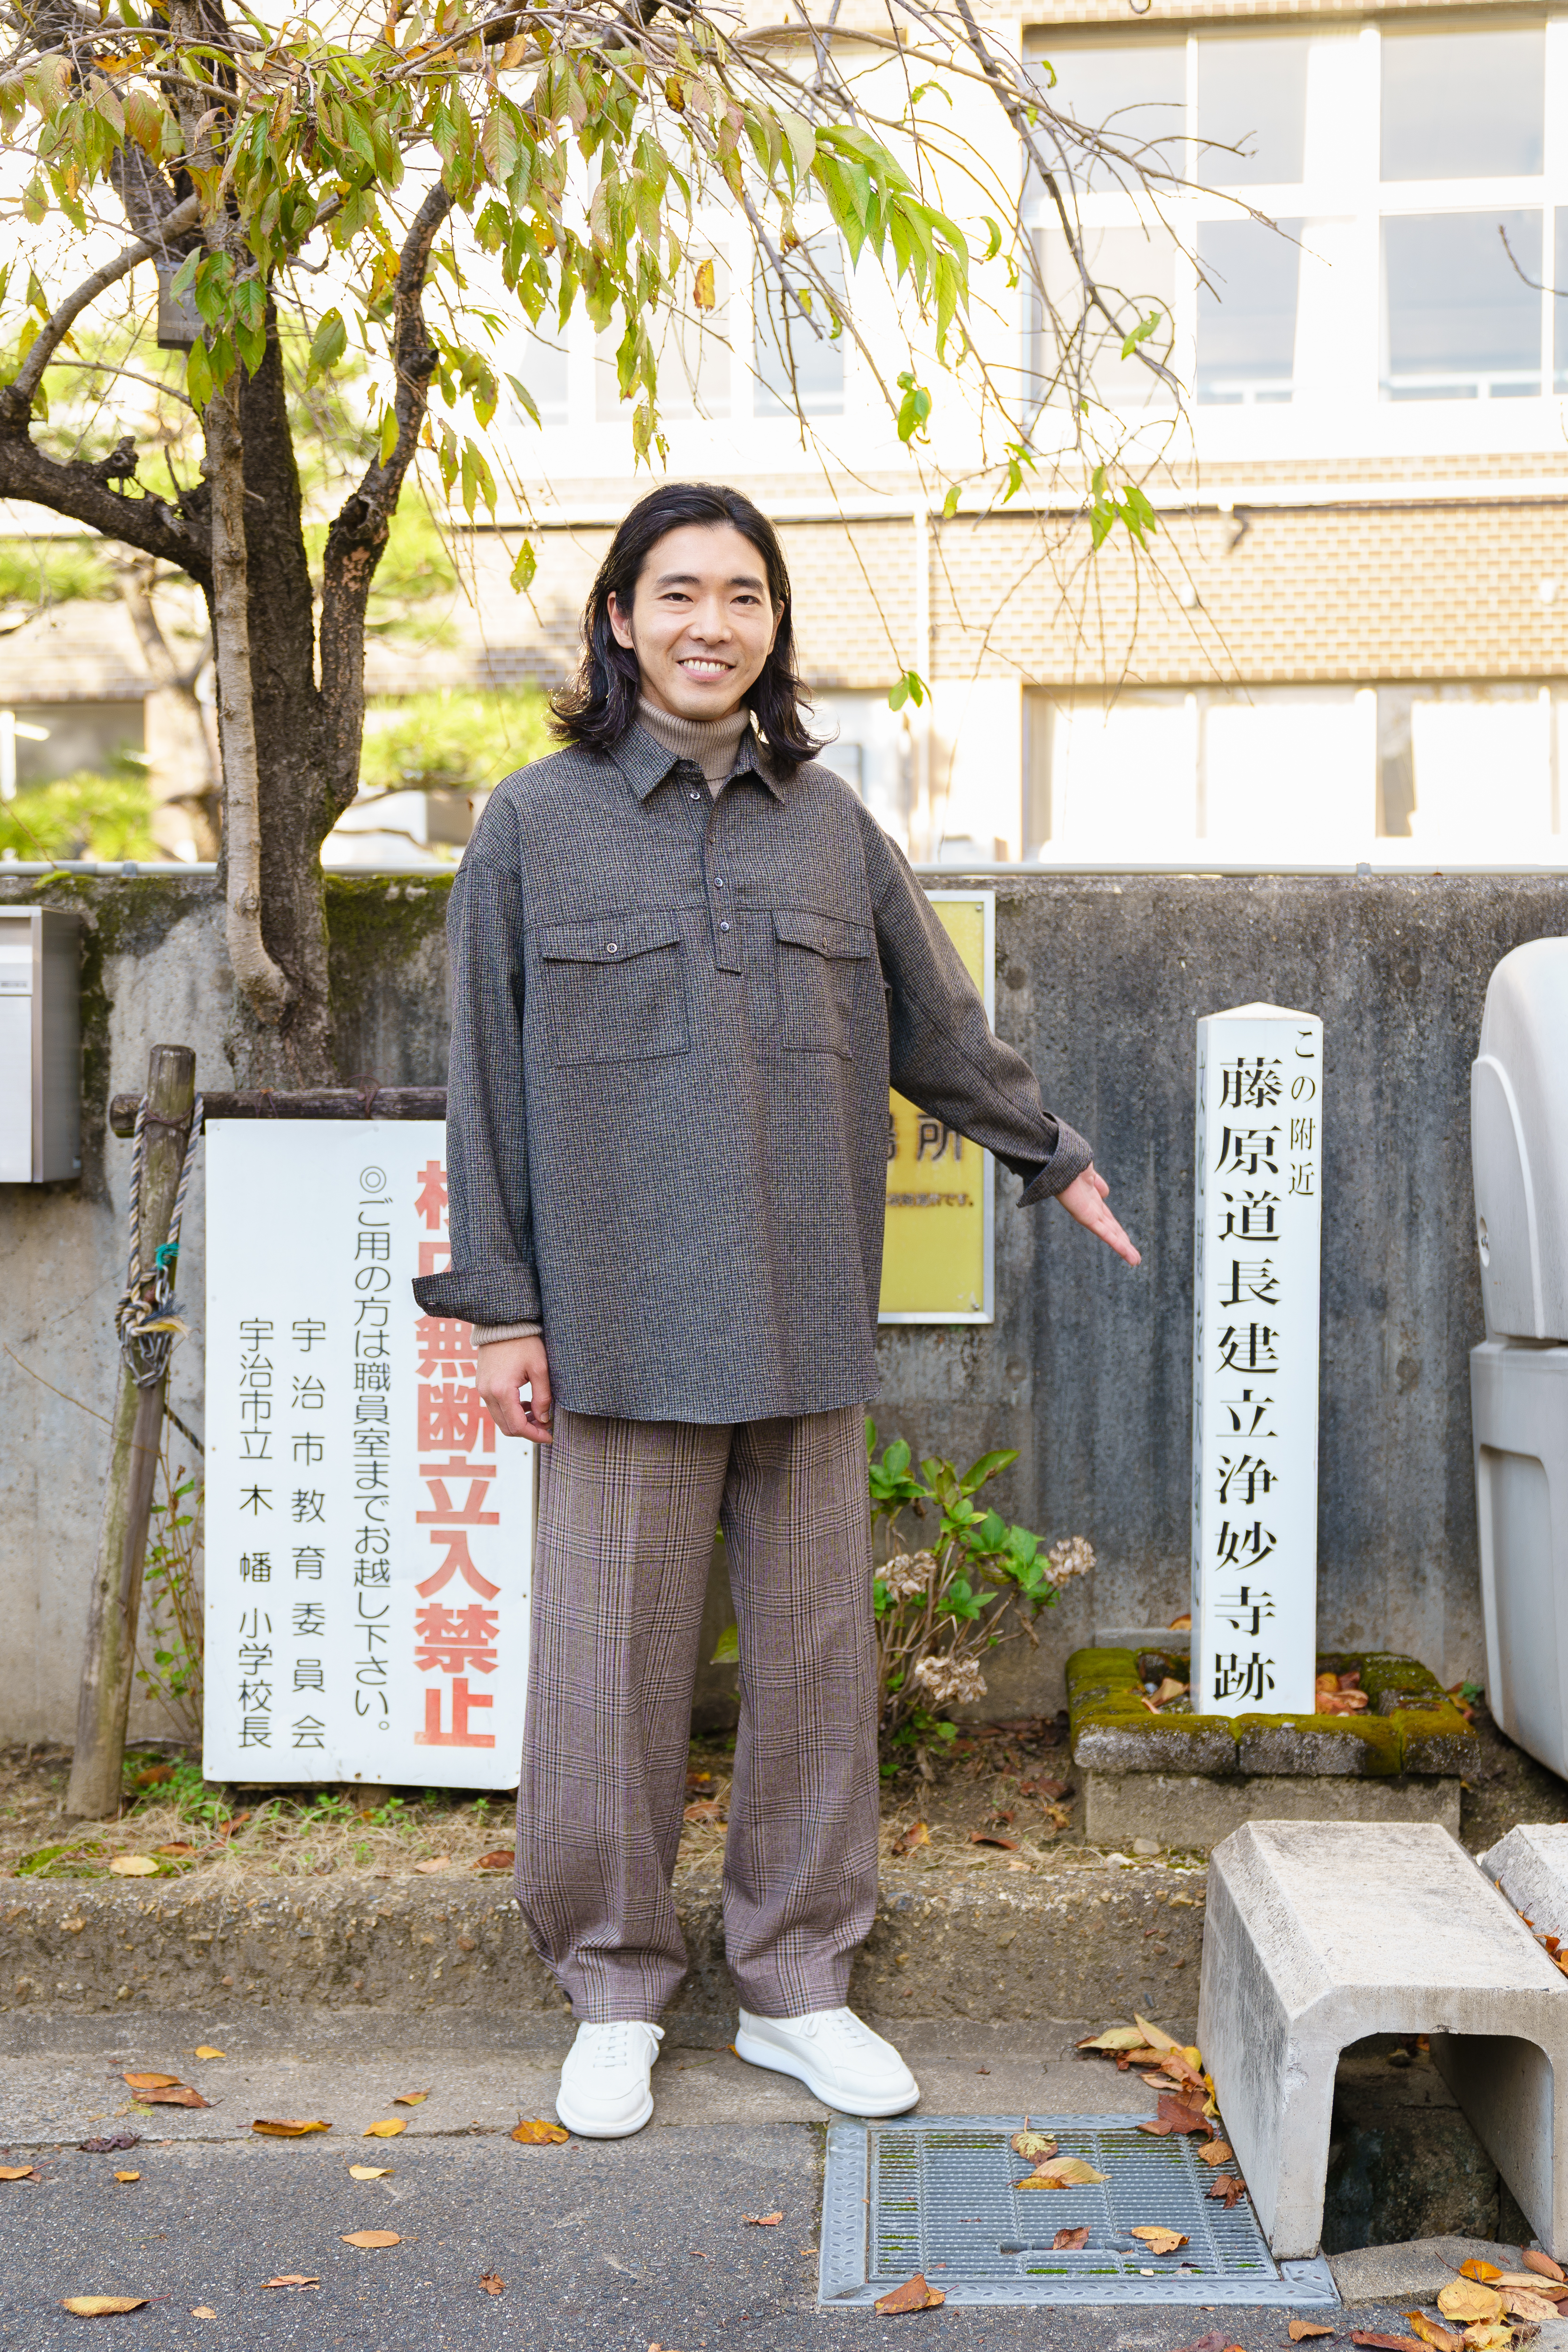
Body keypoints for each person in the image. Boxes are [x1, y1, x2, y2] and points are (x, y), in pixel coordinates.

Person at [413, 480, 1139, 2140]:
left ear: (774, 626)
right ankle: (613, 1988)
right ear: (618, 618)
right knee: (609, 1672)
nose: (710, 625)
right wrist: (501, 1312)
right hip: (611, 1331)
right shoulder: (532, 824)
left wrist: (1049, 1155)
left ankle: (799, 1987)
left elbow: (937, 1022)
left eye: (744, 596)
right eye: (678, 594)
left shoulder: (832, 822)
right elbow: (482, 1088)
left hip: (808, 1310)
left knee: (816, 1667)